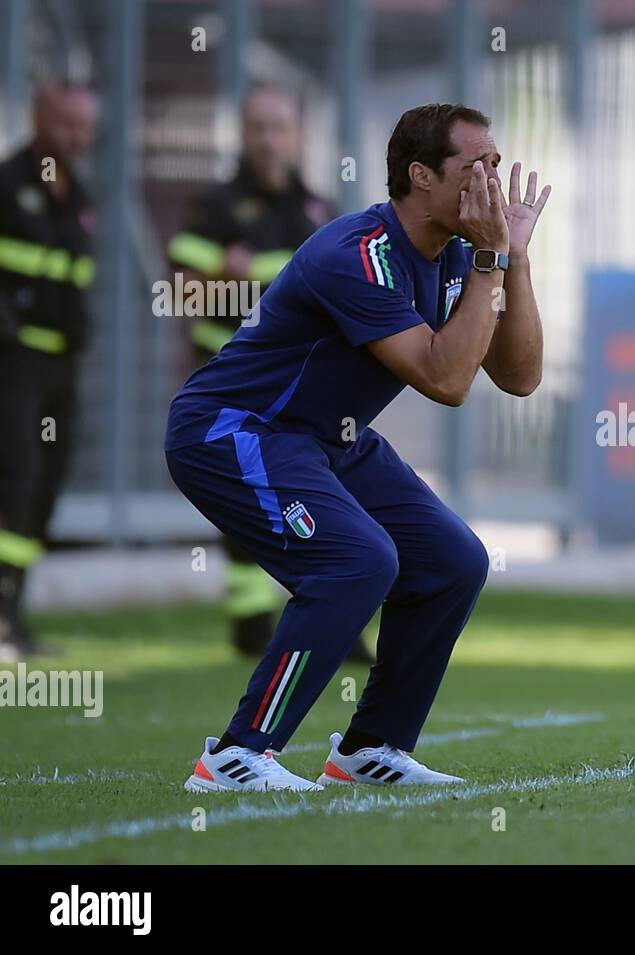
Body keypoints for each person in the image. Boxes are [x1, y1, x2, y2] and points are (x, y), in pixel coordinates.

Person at [165, 103, 549, 791]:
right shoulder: (358, 252)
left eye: (496, 165)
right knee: (356, 561)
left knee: (453, 561)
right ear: (421, 176)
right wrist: (492, 259)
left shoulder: (462, 256)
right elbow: (445, 378)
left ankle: (370, 748)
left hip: (328, 440)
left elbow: (519, 376)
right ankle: (236, 754)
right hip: (235, 429)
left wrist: (512, 260)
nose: (492, 184)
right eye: (474, 169)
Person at [166, 85, 365, 660]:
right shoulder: (217, 205)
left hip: (305, 381)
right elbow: (178, 291)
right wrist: (227, 279)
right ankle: (250, 619)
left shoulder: (319, 211)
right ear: (243, 133)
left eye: (279, 128)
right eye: (258, 127)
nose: (268, 140)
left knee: (322, 489)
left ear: (298, 134)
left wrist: (248, 270)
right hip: (230, 378)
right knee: (247, 492)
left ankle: (337, 610)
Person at [0, 82, 98, 662]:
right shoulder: (8, 183)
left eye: (84, 126)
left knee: (43, 487)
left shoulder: (78, 194)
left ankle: (12, 612)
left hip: (62, 365)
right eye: (66, 123)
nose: (76, 136)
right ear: (39, 119)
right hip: (14, 363)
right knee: (15, 478)